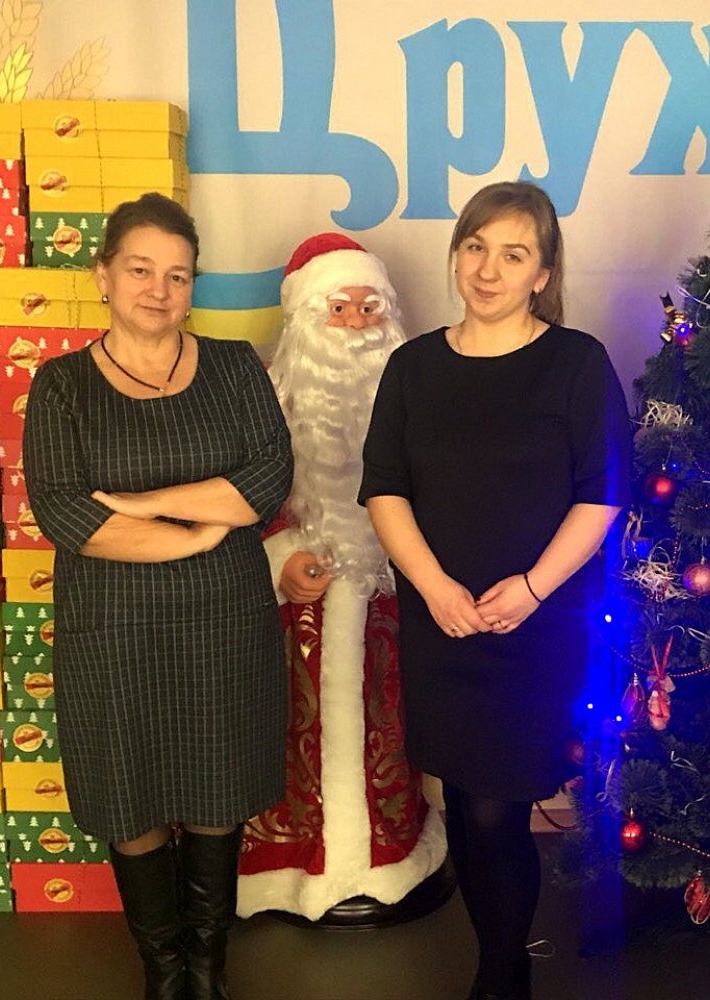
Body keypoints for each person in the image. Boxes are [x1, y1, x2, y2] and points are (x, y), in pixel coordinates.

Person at [359, 181, 633, 1000]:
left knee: (497, 805)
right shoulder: (412, 367)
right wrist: (434, 587)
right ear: (456, 254)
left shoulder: (575, 363)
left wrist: (533, 589)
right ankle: (498, 957)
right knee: (462, 796)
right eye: (475, 247)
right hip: (438, 620)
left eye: (513, 255)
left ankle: (502, 969)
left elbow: (601, 495)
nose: (487, 269)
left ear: (542, 274)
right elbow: (384, 488)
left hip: (534, 625)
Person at [23, 192, 293, 1000]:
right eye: (140, 269)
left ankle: (207, 969)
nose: (158, 289)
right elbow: (65, 512)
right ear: (103, 275)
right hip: (111, 624)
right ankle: (163, 972)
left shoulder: (235, 368)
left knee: (218, 788)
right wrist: (194, 533)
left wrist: (145, 502)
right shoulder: (63, 385)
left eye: (177, 275)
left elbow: (267, 479)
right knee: (127, 792)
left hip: (224, 618)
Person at [239, 233, 448, 921]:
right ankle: (292, 869)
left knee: (390, 724)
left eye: (369, 307)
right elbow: (239, 504)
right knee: (291, 733)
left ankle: (388, 859)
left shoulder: (417, 401)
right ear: (306, 319)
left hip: (392, 598)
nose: (357, 324)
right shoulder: (267, 403)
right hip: (293, 609)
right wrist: (279, 559)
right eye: (339, 308)